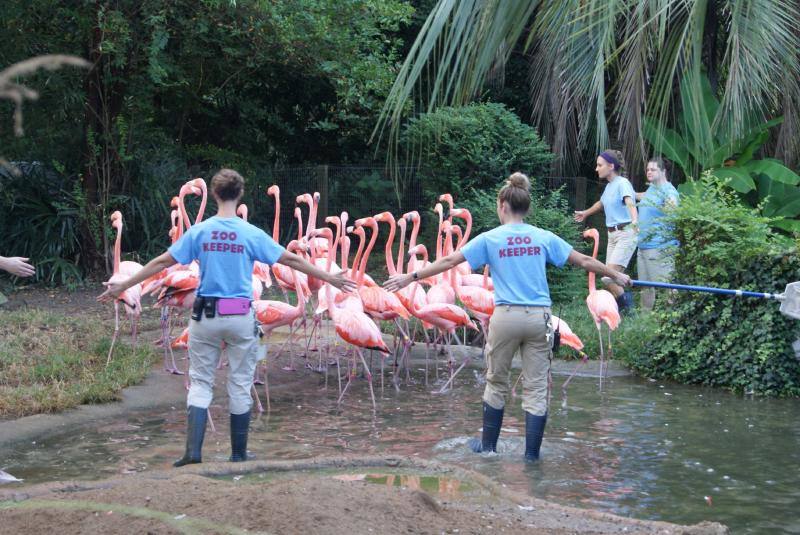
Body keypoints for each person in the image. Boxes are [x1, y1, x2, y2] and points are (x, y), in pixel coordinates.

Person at [99, 169, 356, 466]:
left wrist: (124, 285)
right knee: (240, 382)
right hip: (240, 314)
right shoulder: (250, 233)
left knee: (200, 382)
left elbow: (162, 261)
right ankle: (238, 453)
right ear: (240, 194)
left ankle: (193, 453)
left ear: (214, 194)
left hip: (205, 315)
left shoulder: (200, 231)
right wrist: (329, 278)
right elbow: (290, 258)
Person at [384, 173, 631, 462]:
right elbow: (585, 260)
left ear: (502, 205)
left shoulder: (490, 238)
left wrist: (411, 276)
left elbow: (450, 260)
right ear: (527, 207)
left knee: (496, 382)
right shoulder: (543, 236)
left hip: (506, 316)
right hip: (540, 318)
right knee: (536, 388)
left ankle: (488, 449)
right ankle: (532, 456)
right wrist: (616, 275)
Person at [574, 150, 638, 312]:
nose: (596, 169)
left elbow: (629, 201)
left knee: (609, 277)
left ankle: (629, 312)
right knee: (608, 277)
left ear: (611, 166)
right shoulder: (610, 186)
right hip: (612, 235)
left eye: (599, 165)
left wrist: (635, 220)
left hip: (625, 233)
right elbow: (601, 203)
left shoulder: (623, 183)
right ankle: (625, 312)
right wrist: (586, 213)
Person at [635, 157, 679, 311]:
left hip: (659, 247)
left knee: (665, 288)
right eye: (648, 169)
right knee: (645, 289)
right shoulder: (652, 189)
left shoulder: (669, 190)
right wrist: (628, 192)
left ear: (663, 171)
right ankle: (645, 321)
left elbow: (673, 206)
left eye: (653, 169)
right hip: (642, 247)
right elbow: (643, 196)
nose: (649, 172)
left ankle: (674, 318)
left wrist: (669, 207)